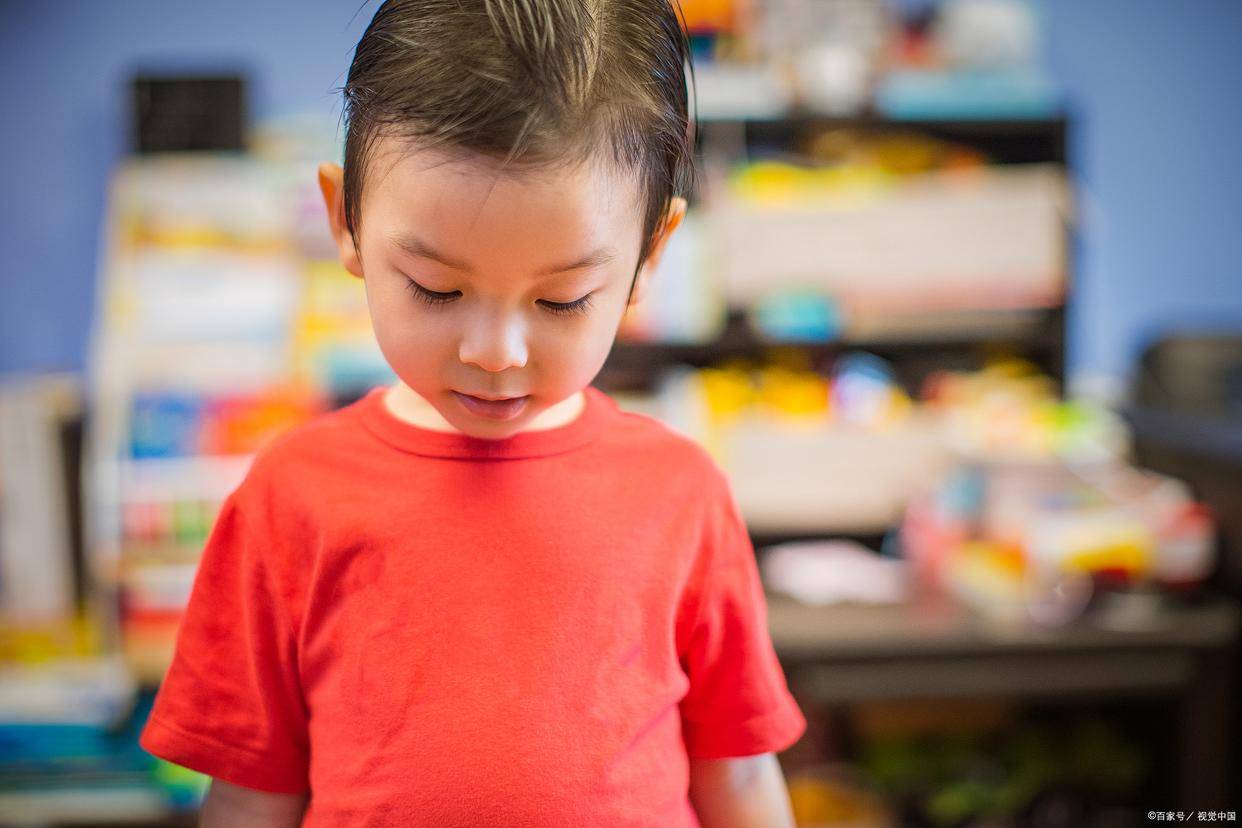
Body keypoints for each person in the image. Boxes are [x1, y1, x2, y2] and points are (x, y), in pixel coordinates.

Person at [138, 0, 807, 824]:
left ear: (649, 255)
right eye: (437, 289)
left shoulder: (680, 492)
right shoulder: (292, 497)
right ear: (345, 219)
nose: (497, 352)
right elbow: (251, 794)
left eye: (562, 300)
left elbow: (738, 777)